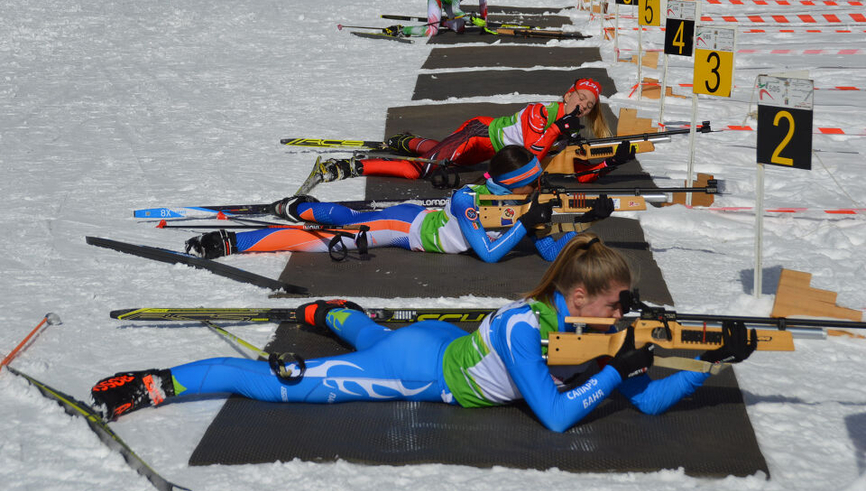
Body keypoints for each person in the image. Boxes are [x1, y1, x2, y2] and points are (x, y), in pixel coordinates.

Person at [89, 233, 759, 431]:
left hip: (442, 336)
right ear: (579, 297)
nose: (628, 316)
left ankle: (333, 312)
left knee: (370, 332)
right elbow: (554, 416)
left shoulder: (594, 330)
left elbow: (641, 398)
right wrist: (621, 366)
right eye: (621, 304)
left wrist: (707, 362)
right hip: (422, 367)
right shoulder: (531, 330)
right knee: (282, 385)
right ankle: (158, 379)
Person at [183, 145, 612, 263]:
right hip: (403, 229)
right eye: (533, 185)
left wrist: (578, 223)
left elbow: (548, 248)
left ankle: (300, 205)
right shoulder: (468, 200)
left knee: (349, 217)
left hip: (415, 217)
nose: (539, 191)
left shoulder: (520, 204)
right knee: (327, 238)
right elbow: (489, 254)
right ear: (514, 186)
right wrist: (528, 223)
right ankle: (235, 240)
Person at [317, 77, 633, 184]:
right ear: (567, 95)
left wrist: (608, 163)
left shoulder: (566, 128)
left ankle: (406, 141)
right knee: (422, 172)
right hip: (477, 134)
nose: (583, 105)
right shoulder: (541, 112)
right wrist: (557, 130)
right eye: (580, 98)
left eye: (590, 105)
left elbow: (579, 174)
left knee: (440, 155)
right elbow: (531, 155)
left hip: (485, 152)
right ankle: (351, 167)